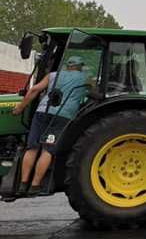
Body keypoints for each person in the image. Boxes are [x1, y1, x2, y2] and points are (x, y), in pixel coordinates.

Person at [11, 56, 88, 196]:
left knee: (32, 148)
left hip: (42, 113)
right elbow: (96, 94)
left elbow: (35, 89)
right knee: (47, 150)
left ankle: (23, 184)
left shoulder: (53, 75)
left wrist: (20, 108)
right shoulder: (85, 78)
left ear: (68, 66)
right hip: (62, 117)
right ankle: (35, 186)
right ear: (80, 66)